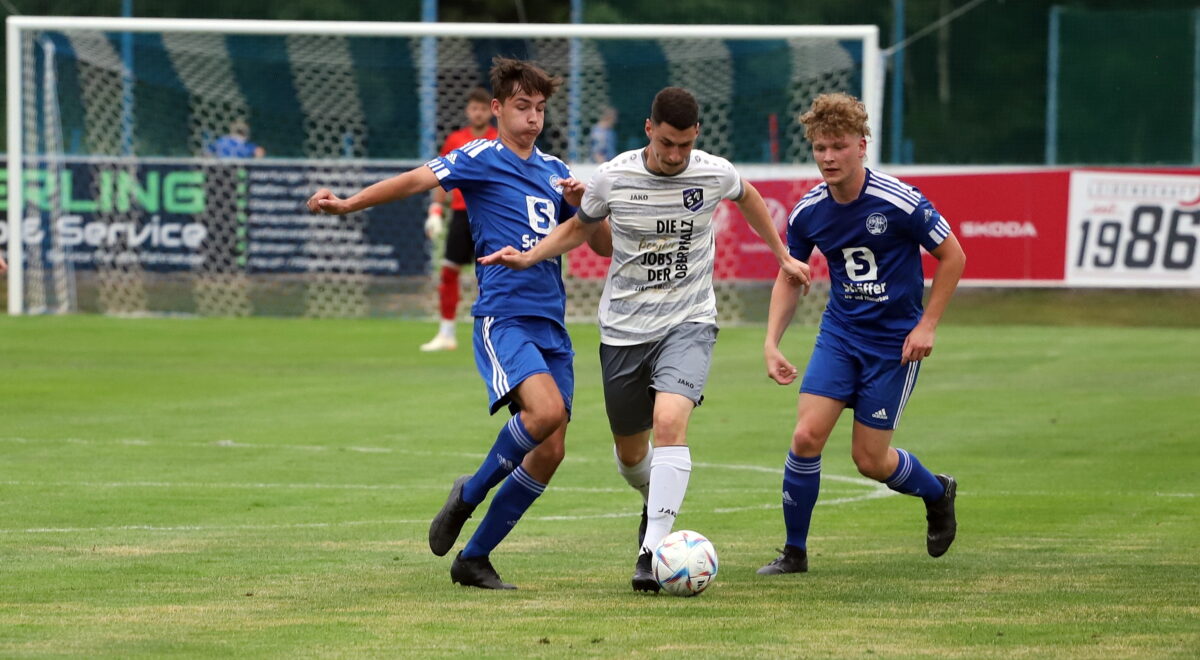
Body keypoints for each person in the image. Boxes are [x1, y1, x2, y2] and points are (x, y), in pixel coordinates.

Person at [480, 87, 811, 592]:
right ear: (649, 129)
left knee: (670, 421)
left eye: (685, 145)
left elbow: (748, 196)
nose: (675, 155)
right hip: (624, 330)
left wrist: (782, 255)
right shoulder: (611, 177)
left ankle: (651, 551)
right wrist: (529, 257)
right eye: (666, 144)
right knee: (632, 453)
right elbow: (579, 229)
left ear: (696, 135)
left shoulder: (713, 171)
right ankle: (652, 502)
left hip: (689, 321)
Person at [307, 57, 591, 590]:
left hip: (551, 322)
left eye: (540, 108)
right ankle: (469, 493)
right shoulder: (479, 157)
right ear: (499, 108)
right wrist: (348, 204)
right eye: (523, 107)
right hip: (504, 316)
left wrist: (584, 207)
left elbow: (600, 243)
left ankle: (474, 558)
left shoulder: (557, 171)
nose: (533, 118)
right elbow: (415, 180)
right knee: (546, 411)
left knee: (551, 450)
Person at [757, 92, 966, 576]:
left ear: (861, 145)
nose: (828, 157)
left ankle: (937, 491)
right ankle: (794, 552)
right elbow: (791, 274)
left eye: (839, 146)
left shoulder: (899, 201)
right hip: (841, 335)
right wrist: (771, 342)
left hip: (893, 346)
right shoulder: (808, 211)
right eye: (820, 147)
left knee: (870, 461)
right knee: (806, 436)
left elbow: (953, 256)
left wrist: (927, 324)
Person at [420, 87, 499, 352]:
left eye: (483, 108)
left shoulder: (498, 139)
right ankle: (446, 333)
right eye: (474, 108)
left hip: (489, 215)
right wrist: (435, 211)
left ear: (491, 111)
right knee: (448, 271)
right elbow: (440, 176)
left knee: (493, 274)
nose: (478, 113)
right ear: (468, 111)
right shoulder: (455, 139)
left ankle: (496, 333)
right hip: (461, 214)